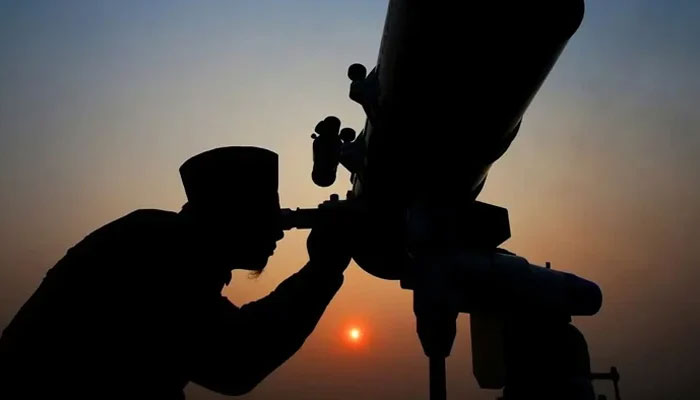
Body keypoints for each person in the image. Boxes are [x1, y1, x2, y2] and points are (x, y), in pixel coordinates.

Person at [0, 146, 353, 399]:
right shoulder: (157, 247)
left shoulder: (162, 241)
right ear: (233, 215)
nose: (278, 231)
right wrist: (323, 269)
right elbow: (236, 360)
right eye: (269, 217)